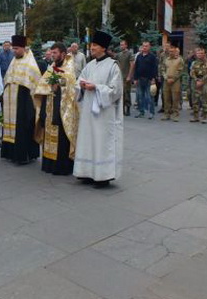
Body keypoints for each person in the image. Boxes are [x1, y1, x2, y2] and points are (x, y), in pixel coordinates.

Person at [73, 30, 123, 188]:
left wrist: (96, 87)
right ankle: (87, 172)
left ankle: (103, 176)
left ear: (103, 48)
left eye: (95, 45)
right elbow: (79, 80)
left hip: (104, 113)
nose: (92, 48)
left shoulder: (113, 66)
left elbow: (116, 91)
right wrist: (80, 85)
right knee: (88, 140)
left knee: (101, 142)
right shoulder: (90, 65)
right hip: (88, 110)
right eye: (92, 45)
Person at [34, 42, 79, 175]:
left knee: (61, 139)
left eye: (55, 53)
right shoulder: (51, 67)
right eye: (51, 53)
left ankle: (61, 167)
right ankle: (49, 165)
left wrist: (58, 86)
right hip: (49, 109)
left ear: (63, 54)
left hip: (62, 111)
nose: (52, 55)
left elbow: (70, 88)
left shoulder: (69, 68)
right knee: (49, 136)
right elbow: (43, 84)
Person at [1, 35, 41, 165]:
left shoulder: (30, 63)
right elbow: (8, 78)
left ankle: (24, 155)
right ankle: (11, 153)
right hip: (12, 99)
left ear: (23, 48)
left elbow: (34, 82)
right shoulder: (14, 61)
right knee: (12, 127)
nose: (14, 51)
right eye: (13, 48)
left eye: (16, 48)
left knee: (23, 127)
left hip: (24, 101)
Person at [130, 41, 158, 119]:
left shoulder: (152, 57)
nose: (144, 47)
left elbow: (154, 68)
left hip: (149, 79)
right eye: (143, 46)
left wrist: (153, 78)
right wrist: (135, 78)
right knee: (139, 96)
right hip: (139, 79)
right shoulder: (139, 56)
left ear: (149, 47)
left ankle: (151, 113)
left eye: (146, 46)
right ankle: (141, 112)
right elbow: (136, 68)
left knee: (149, 97)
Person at [160, 43, 184, 122]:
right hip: (166, 81)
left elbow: (180, 71)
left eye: (172, 51)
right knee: (166, 98)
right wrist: (166, 78)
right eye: (170, 51)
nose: (171, 53)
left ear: (175, 52)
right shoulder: (166, 60)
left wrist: (173, 78)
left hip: (175, 82)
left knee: (175, 99)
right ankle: (166, 114)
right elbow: (162, 69)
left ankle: (175, 115)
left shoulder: (179, 60)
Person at [189, 47, 207, 123]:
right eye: (198, 53)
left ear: (204, 54)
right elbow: (192, 72)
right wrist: (196, 80)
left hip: (205, 83)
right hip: (195, 82)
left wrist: (202, 81)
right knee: (195, 100)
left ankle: (204, 117)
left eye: (202, 53)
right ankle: (196, 117)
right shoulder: (194, 63)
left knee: (204, 100)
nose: (200, 55)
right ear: (196, 54)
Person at [115, 40, 134, 116]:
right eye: (120, 45)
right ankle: (121, 109)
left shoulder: (129, 54)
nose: (121, 46)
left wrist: (129, 75)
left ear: (126, 45)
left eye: (123, 45)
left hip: (126, 77)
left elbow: (132, 64)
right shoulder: (119, 54)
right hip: (120, 77)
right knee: (120, 93)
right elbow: (116, 63)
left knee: (127, 93)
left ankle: (128, 108)